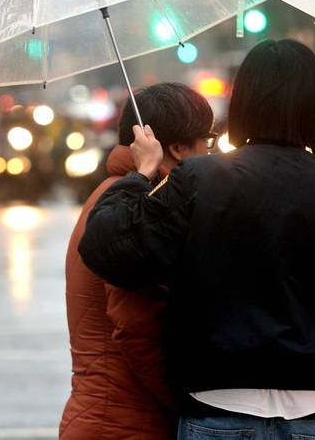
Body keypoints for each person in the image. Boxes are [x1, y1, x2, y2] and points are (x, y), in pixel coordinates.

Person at [79, 39, 315, 440]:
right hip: (314, 413)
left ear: (243, 102)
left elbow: (106, 246)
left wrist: (139, 175)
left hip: (218, 409)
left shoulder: (199, 179)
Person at [60, 83, 216, 440]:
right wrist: (191, 403)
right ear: (176, 148)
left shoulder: (117, 196)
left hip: (106, 415)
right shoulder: (135, 211)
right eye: (207, 138)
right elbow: (138, 327)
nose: (211, 150)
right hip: (125, 423)